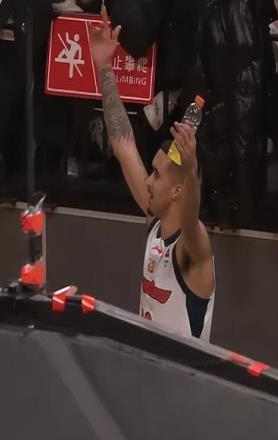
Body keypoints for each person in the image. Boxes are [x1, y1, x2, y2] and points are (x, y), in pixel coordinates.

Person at [89, 8, 215, 341]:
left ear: (177, 191)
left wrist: (190, 171)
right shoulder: (155, 222)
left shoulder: (192, 247)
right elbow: (123, 143)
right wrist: (104, 68)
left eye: (156, 175)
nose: (148, 180)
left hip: (183, 375)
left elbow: (191, 213)